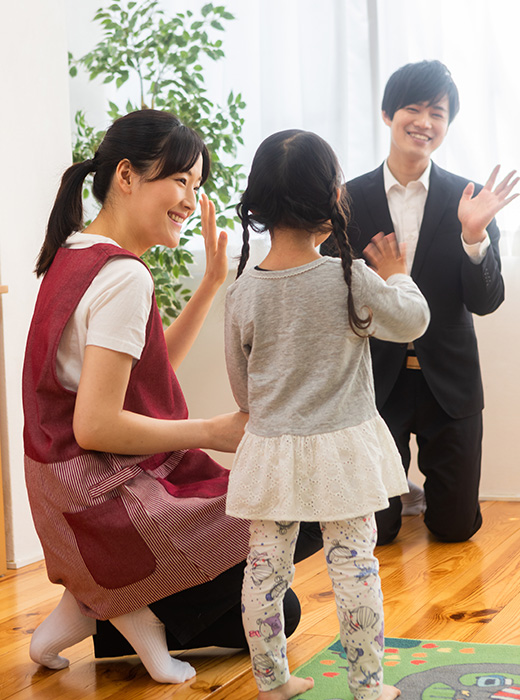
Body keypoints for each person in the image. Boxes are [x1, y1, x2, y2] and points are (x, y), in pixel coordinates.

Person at [22, 109, 322, 684]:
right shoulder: (123, 277)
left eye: (198, 186)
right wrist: (211, 430)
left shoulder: (77, 253)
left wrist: (210, 286)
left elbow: (142, 376)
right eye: (180, 181)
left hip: (63, 496)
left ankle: (100, 605)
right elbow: (98, 426)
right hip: (105, 499)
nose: (190, 200)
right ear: (128, 176)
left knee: (274, 605)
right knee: (290, 549)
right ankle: (118, 605)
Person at [224, 129, 430, 700]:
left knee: (265, 573)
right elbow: (413, 320)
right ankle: (367, 688)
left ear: (259, 205)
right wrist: (396, 273)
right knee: (354, 567)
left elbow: (243, 391)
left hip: (272, 449)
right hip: (343, 449)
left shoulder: (242, 293)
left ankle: (273, 682)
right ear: (333, 199)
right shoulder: (349, 277)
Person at [322, 59, 519, 545]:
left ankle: (421, 495)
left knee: (455, 530)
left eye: (438, 113)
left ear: (447, 124)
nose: (425, 122)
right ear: (388, 114)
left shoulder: (468, 198)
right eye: (413, 108)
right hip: (375, 383)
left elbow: (487, 301)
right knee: (377, 534)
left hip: (449, 382)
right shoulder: (345, 199)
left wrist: (474, 237)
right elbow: (328, 291)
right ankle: (399, 497)